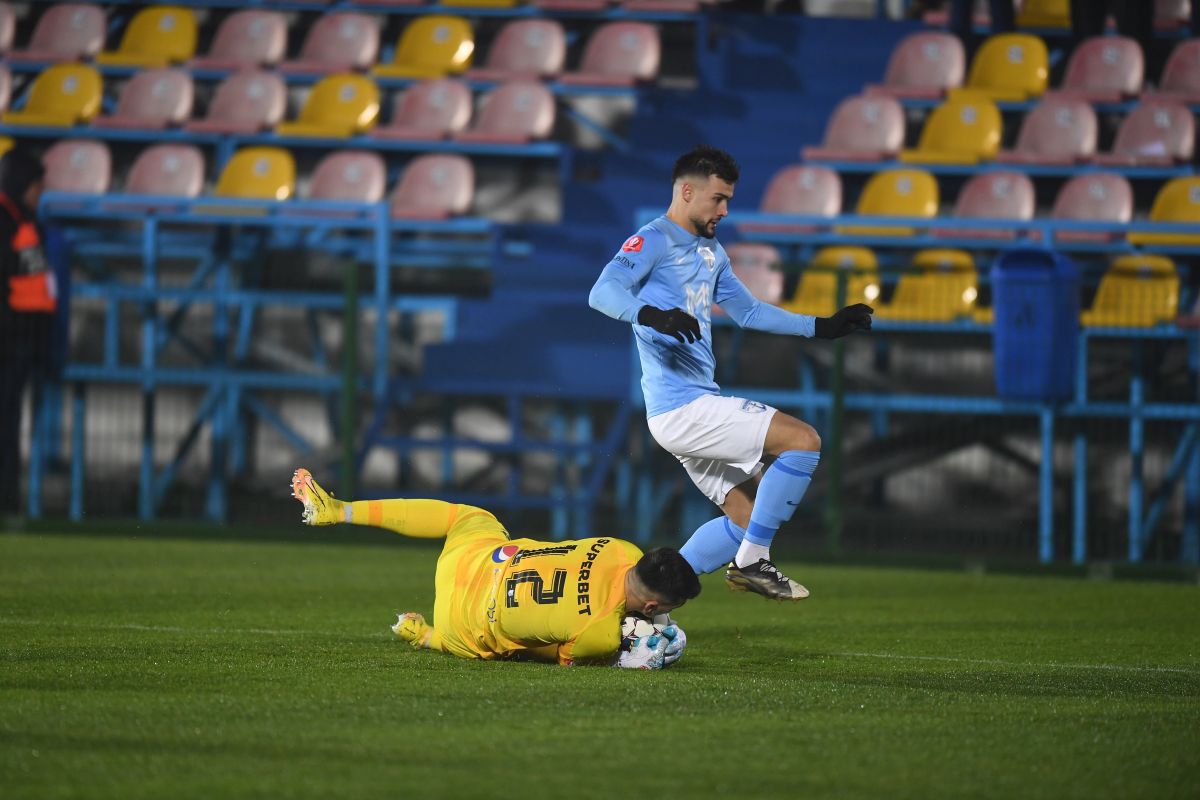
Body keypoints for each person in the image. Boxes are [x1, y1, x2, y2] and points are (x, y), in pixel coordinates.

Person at [588, 146, 872, 600]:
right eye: (717, 199)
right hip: (684, 408)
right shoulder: (653, 239)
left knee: (748, 517)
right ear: (686, 191)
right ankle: (754, 563)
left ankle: (642, 606)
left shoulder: (711, 252)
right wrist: (652, 316)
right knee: (803, 441)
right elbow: (601, 293)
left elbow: (749, 311)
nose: (724, 210)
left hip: (689, 409)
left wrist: (820, 327)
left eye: (728, 200)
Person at [290, 468, 700, 668]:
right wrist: (625, 653)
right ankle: (427, 636)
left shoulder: (618, 548)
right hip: (460, 622)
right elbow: (540, 650)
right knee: (502, 641)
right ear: (650, 609)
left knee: (465, 515)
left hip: (475, 558)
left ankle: (339, 510)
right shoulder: (600, 635)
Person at [0, 150, 51, 517]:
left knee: (9, 422)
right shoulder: (7, 221)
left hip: (19, 342)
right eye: (36, 185)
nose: (39, 193)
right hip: (7, 340)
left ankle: (8, 501)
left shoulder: (22, 220)